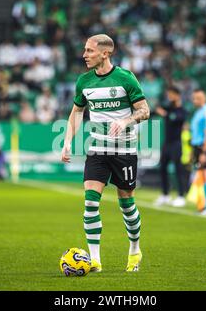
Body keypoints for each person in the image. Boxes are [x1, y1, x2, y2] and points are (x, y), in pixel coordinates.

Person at [61, 34, 150, 272]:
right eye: (85, 50)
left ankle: (134, 249)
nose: (84, 55)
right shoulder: (84, 81)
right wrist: (68, 140)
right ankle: (95, 260)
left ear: (105, 53)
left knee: (127, 205)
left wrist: (127, 120)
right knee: (90, 203)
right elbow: (77, 112)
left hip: (124, 151)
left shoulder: (126, 78)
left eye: (89, 51)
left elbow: (144, 111)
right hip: (97, 151)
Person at [154, 86, 188, 207]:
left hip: (176, 144)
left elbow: (175, 118)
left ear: (177, 95)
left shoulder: (182, 110)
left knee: (178, 170)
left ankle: (180, 196)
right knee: (162, 168)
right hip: (166, 143)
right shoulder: (169, 108)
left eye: (171, 94)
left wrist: (164, 114)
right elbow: (156, 110)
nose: (169, 97)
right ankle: (165, 195)